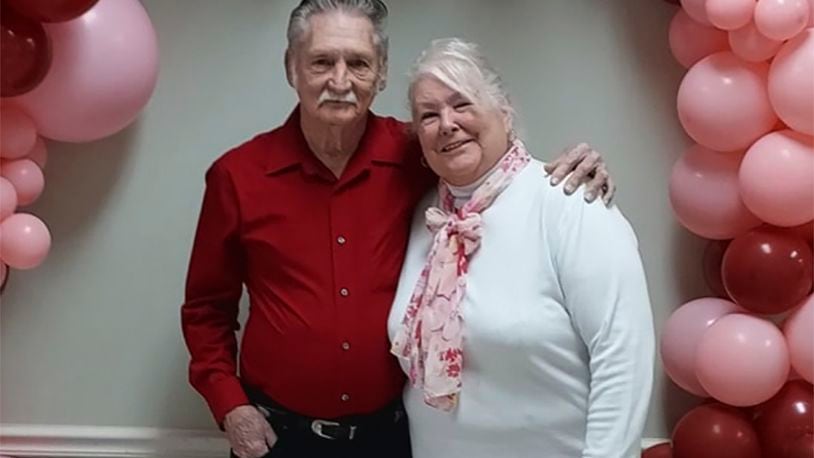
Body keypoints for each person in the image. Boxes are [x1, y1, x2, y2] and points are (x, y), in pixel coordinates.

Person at [181, 2, 615, 457]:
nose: (341, 81)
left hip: (391, 437)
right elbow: (206, 311)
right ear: (292, 67)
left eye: (359, 63)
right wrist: (230, 405)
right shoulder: (238, 176)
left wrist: (570, 170)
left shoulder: (420, 154)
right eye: (322, 61)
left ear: (382, 72)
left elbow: (494, 172)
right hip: (277, 437)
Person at [388, 38, 655, 458]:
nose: (447, 123)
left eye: (462, 104)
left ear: (505, 110)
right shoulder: (423, 217)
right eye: (428, 114)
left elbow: (623, 356)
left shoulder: (568, 203)